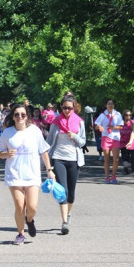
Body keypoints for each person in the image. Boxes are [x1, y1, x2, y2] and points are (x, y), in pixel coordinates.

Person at [0, 104, 53, 245]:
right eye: (17, 114)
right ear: (13, 117)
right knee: (20, 206)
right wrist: (6, 153)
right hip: (14, 174)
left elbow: (43, 151)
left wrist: (49, 170)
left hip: (32, 174)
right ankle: (20, 234)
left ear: (27, 116)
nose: (20, 117)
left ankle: (29, 220)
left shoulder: (34, 130)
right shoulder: (7, 132)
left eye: (23, 114)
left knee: (32, 207)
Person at [46, 95, 87, 235]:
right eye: (64, 108)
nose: (67, 110)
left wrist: (74, 136)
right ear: (61, 108)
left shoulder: (79, 122)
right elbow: (48, 141)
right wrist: (46, 161)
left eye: (69, 108)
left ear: (74, 107)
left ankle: (68, 214)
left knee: (71, 193)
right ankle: (64, 222)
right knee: (62, 190)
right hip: (58, 158)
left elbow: (83, 142)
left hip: (74, 159)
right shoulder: (55, 122)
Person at [94, 99, 123, 184]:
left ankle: (113, 175)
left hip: (115, 138)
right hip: (106, 138)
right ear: (106, 105)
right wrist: (99, 127)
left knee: (116, 159)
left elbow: (121, 126)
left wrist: (113, 127)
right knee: (106, 159)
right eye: (109, 104)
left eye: (112, 104)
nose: (110, 105)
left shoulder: (117, 114)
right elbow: (96, 125)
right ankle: (107, 177)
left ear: (114, 105)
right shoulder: (103, 115)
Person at [119, 110, 134, 175]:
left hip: (131, 141)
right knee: (124, 155)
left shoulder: (132, 122)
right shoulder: (121, 122)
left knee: (132, 155)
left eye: (130, 115)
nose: (128, 116)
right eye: (126, 115)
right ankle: (126, 166)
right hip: (123, 142)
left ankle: (130, 166)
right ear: (124, 116)